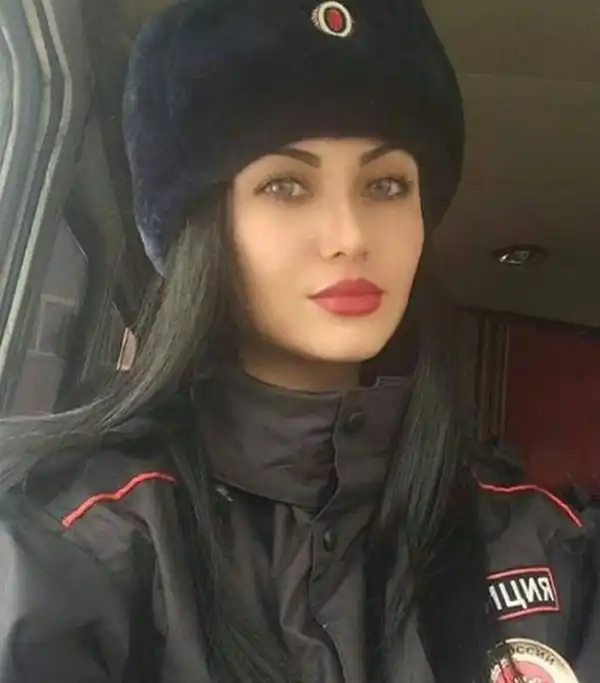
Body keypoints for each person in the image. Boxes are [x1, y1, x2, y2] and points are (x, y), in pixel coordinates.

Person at [0, 1, 597, 681]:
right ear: (204, 229)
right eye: (286, 185)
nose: (350, 234)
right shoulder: (77, 543)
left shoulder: (545, 544)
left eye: (385, 185)